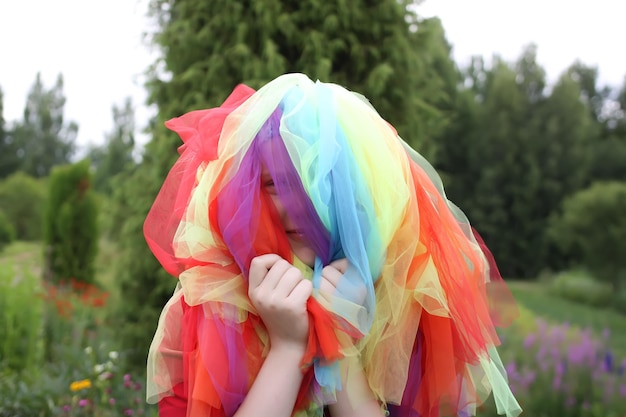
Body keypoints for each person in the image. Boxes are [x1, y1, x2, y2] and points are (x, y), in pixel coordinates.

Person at [144, 73, 522, 417]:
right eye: (275, 183)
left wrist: (337, 343)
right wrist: (289, 349)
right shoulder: (202, 306)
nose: (301, 209)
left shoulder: (403, 306)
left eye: (324, 184)